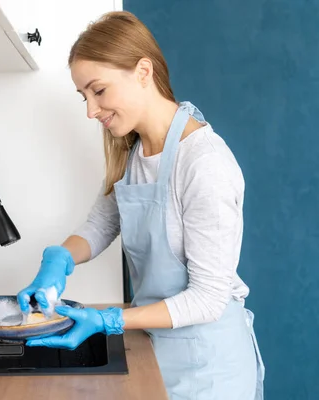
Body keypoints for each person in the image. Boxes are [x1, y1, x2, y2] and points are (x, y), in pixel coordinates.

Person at [16, 11, 265, 400]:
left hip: (211, 370)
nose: (90, 110)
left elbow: (208, 298)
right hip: (157, 353)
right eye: (84, 96)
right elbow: (100, 225)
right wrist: (58, 259)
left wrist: (109, 320)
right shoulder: (131, 153)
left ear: (143, 72)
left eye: (98, 91)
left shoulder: (204, 163)